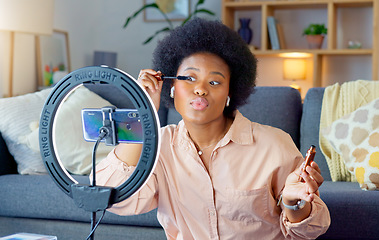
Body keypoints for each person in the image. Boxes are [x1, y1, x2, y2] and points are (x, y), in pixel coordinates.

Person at [95, 18, 330, 239]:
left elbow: (311, 230)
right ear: (171, 87)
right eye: (189, 78)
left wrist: (293, 203)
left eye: (214, 81)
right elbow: (111, 198)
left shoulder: (274, 145)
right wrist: (142, 112)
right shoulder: (160, 146)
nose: (200, 89)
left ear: (230, 92)